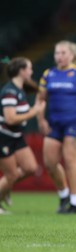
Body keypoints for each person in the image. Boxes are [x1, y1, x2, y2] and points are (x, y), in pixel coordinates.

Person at [36, 40, 76, 214]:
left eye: (63, 53)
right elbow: (41, 99)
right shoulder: (48, 74)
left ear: (71, 55)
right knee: (50, 163)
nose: (60, 56)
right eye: (57, 53)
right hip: (55, 124)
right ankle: (64, 195)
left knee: (70, 160)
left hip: (75, 124)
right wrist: (41, 120)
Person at [0, 57, 46, 214]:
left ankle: (5, 188)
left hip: (16, 135)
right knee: (11, 174)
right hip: (4, 136)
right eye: (29, 68)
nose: (31, 71)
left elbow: (39, 89)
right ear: (21, 71)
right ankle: (4, 189)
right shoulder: (9, 92)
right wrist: (33, 112)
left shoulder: (19, 89)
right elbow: (10, 118)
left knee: (31, 168)